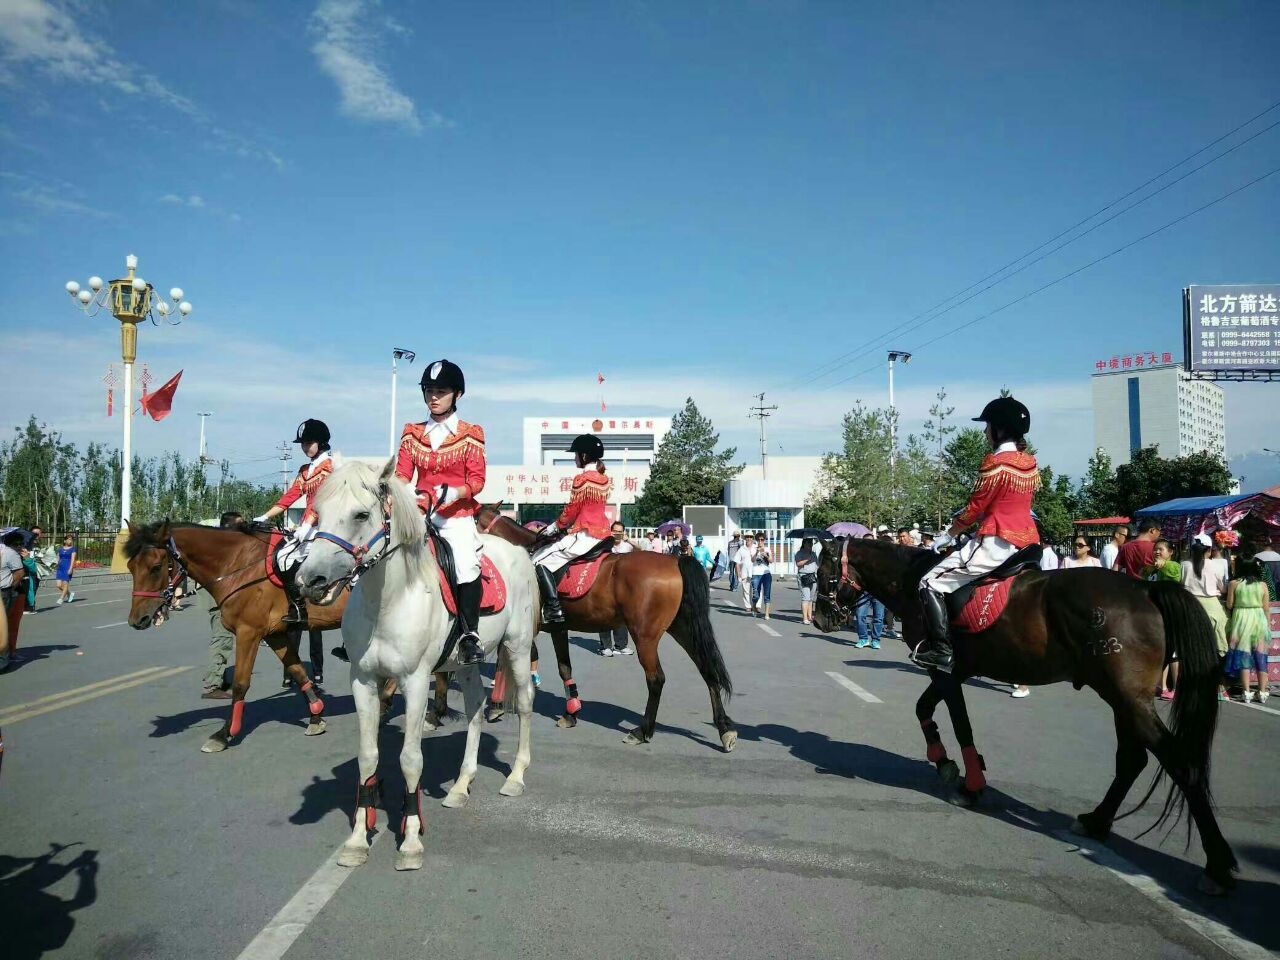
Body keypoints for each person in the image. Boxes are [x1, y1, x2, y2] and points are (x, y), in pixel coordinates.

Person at [918, 396, 1040, 672]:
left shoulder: (995, 463)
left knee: (929, 582)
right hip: (1028, 541)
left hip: (996, 540)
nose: (985, 432)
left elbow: (976, 507)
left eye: (987, 426)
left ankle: (941, 650)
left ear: (999, 429)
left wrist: (949, 534)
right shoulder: (1029, 462)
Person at [395, 359, 487, 665]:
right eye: (429, 390)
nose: (434, 396)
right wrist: (399, 492)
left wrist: (456, 492)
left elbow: (477, 480)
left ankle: (469, 634)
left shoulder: (471, 433)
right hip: (420, 513)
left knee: (464, 562)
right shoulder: (411, 433)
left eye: (441, 391)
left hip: (455, 517)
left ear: (457, 395)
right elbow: (402, 475)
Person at [255, 418, 336, 624]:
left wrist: (307, 525)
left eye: (309, 443)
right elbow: (290, 496)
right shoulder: (305, 470)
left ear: (321, 442)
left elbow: (320, 502)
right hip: (307, 526)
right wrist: (265, 515)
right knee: (281, 555)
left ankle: (300, 609)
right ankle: (296, 605)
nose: (305, 447)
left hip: (324, 524)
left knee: (285, 557)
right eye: (303, 443)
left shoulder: (329, 467)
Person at [533, 434, 612, 626]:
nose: (574, 458)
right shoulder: (604, 479)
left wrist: (553, 528)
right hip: (603, 533)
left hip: (585, 534)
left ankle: (553, 608)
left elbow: (571, 511)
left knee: (538, 561)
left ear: (584, 456)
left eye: (576, 454)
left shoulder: (581, 479)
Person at [1181, 533, 1229, 699]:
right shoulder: (1217, 565)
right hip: (1212, 606)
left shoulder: (1184, 564)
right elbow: (1223, 589)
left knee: (1191, 647)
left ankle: (1191, 684)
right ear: (1209, 550)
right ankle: (1219, 685)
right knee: (1218, 647)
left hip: (1190, 606)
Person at [203, 511, 244, 699]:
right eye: (240, 525)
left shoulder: (221, 542)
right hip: (218, 600)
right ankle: (213, 684)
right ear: (228, 527)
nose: (243, 528)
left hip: (227, 598)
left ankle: (223, 678)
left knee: (232, 640)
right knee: (222, 639)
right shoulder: (220, 545)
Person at [1142, 539, 1183, 699]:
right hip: (1154, 613)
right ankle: (1162, 685)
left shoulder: (1174, 566)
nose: (1157, 552)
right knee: (1161, 650)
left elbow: (1175, 574)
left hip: (1170, 612)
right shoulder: (1151, 569)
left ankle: (1177, 687)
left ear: (1170, 552)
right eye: (1155, 549)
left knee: (1173, 653)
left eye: (1161, 549)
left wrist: (1163, 565)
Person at [1226, 558, 1271, 703]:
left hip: (1241, 620)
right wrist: (1268, 625)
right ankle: (1263, 692)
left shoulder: (1234, 584)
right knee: (1261, 656)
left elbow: (1229, 604)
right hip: (1259, 619)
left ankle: (1246, 692)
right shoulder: (1263, 585)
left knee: (1244, 655)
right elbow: (1266, 607)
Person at [597, 521, 635, 657]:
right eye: (615, 531)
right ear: (611, 531)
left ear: (623, 532)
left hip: (622, 586)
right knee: (605, 614)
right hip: (605, 585)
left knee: (620, 615)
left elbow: (642, 551)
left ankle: (621, 645)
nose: (617, 534)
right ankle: (605, 646)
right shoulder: (605, 545)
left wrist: (629, 540)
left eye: (620, 531)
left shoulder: (627, 546)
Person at [0, 531, 27, 671]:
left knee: (4, 627)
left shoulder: (10, 553)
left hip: (4, 593)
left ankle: (3, 660)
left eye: (20, 544)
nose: (19, 546)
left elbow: (20, 573)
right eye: (16, 544)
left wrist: (10, 588)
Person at [795, 537, 819, 625]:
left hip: (813, 575)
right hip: (803, 576)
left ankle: (810, 616)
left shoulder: (813, 553)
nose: (810, 545)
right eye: (809, 543)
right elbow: (798, 564)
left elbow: (817, 564)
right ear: (804, 544)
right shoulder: (799, 553)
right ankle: (805, 618)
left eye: (811, 543)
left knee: (811, 598)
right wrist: (807, 559)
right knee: (806, 597)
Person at [750, 532, 774, 619]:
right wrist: (757, 552)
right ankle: (754, 606)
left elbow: (771, 561)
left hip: (766, 574)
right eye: (758, 540)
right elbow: (752, 560)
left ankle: (767, 614)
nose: (760, 541)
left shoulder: (767, 549)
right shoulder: (753, 548)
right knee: (756, 594)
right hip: (756, 573)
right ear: (756, 540)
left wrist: (766, 556)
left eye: (762, 540)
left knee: (767, 594)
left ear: (764, 540)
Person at [54, 535, 77, 604]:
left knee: (65, 584)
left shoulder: (73, 549)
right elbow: (58, 558)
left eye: (71, 539)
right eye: (69, 539)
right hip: (60, 568)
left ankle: (61, 599)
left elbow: (73, 560)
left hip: (67, 567)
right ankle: (69, 593)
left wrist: (70, 569)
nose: (70, 541)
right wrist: (55, 565)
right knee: (58, 585)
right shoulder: (60, 549)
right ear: (65, 541)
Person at [733, 535, 754, 610]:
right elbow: (737, 563)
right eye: (747, 537)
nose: (749, 538)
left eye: (750, 537)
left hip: (755, 573)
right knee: (746, 591)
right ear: (745, 539)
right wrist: (738, 575)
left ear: (753, 538)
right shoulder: (741, 549)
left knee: (757, 590)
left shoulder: (756, 548)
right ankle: (748, 606)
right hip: (745, 573)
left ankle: (756, 605)